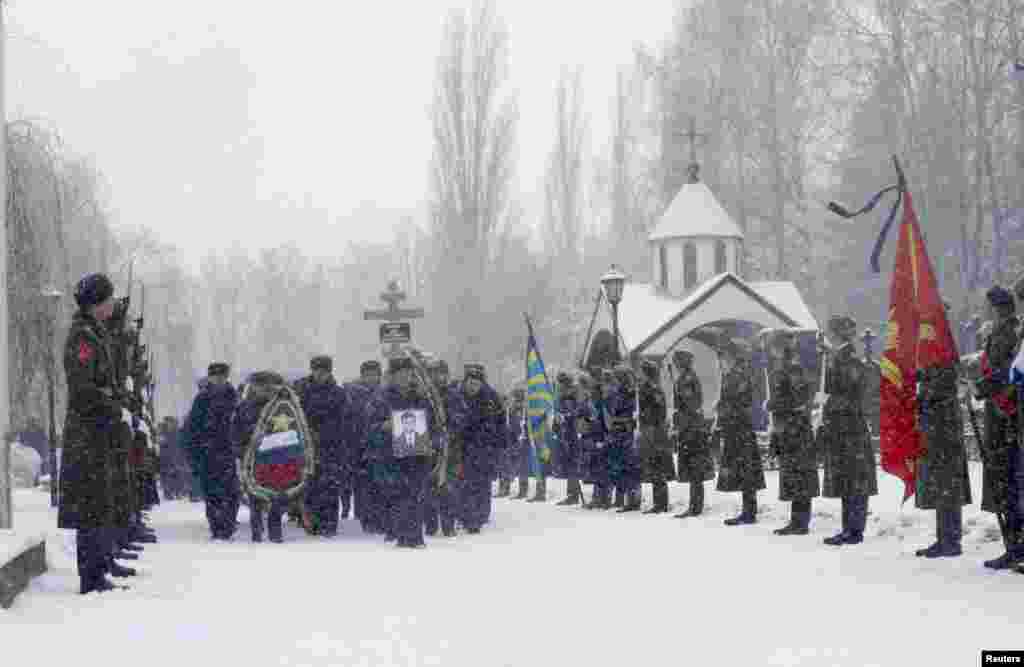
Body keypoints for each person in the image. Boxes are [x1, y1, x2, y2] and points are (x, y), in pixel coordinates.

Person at [58, 273, 128, 594]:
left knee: (101, 501)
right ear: (96, 303)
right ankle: (91, 576)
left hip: (97, 432)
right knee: (91, 505)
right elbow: (84, 389)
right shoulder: (83, 338)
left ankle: (99, 567)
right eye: (109, 299)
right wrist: (112, 402)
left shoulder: (95, 333)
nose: (113, 304)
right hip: (87, 432)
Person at [363, 356, 437, 548]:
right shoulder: (380, 398)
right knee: (398, 496)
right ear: (392, 376)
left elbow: (434, 425)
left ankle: (414, 537)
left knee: (415, 495)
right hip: (391, 456)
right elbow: (368, 428)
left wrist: (430, 439)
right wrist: (383, 427)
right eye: (399, 374)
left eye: (407, 373)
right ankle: (402, 535)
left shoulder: (421, 397)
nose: (404, 378)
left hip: (417, 455)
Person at [975, 286, 1023, 568]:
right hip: (999, 411)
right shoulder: (1003, 331)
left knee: (1009, 481)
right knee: (1005, 483)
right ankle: (1013, 546)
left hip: (1007, 412)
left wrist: (984, 386)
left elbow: (1008, 370)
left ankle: (1017, 546)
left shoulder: (1008, 332)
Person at [820, 315, 878, 546]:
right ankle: (848, 529)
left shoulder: (850, 359)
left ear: (837, 334)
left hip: (850, 427)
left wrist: (830, 401)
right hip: (843, 427)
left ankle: (854, 531)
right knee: (847, 479)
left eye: (831, 332)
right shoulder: (838, 358)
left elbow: (854, 396)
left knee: (854, 480)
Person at [763, 329, 819, 535]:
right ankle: (796, 521)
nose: (771, 351)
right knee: (793, 478)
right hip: (787, 431)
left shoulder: (793, 369)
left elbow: (800, 400)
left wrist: (774, 404)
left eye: (773, 346)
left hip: (796, 431)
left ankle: (801, 523)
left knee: (800, 477)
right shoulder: (781, 369)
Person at [915, 363, 971, 557]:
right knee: (942, 487)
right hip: (937, 431)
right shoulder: (933, 364)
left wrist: (921, 391)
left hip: (945, 432)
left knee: (948, 486)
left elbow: (938, 392)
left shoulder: (945, 363)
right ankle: (944, 539)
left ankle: (951, 541)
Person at [296, 355, 352, 537]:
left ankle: (329, 526)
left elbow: (346, 421)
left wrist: (333, 436)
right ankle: (311, 525)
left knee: (329, 489)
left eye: (324, 371)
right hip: (308, 447)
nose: (321, 374)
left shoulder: (339, 393)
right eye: (317, 370)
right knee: (309, 488)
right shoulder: (302, 392)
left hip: (331, 448)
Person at [715, 341, 765, 525]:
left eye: (723, 357)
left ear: (731, 357)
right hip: (735, 428)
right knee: (743, 471)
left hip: (740, 428)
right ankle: (747, 511)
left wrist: (723, 408)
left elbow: (741, 402)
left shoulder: (738, 376)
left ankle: (749, 513)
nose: (721, 362)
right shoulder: (731, 376)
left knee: (746, 471)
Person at [457, 363, 507, 532]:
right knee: (465, 483)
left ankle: (480, 514)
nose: (473, 387)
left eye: (477, 384)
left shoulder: (492, 398)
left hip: (485, 448)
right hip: (463, 448)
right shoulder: (457, 395)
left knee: (482, 484)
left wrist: (499, 444)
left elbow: (501, 423)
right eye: (470, 383)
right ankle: (467, 516)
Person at [197, 362, 239, 540]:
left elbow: (240, 423)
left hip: (229, 452)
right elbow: (193, 428)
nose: (219, 380)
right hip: (209, 454)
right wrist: (197, 455)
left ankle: (228, 526)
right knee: (212, 494)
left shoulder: (234, 397)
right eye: (215, 377)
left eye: (222, 376)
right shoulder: (202, 399)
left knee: (231, 493)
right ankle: (217, 527)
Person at [671, 350, 714, 518]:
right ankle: (694, 505)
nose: (675, 365)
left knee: (695, 470)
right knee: (693, 469)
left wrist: (679, 416)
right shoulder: (684, 378)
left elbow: (692, 404)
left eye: (677, 362)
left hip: (692, 429)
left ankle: (695, 507)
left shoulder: (688, 379)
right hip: (689, 428)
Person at [638, 360, 674, 514]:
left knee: (657, 466)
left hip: (654, 431)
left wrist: (650, 424)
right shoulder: (650, 387)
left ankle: (661, 504)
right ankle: (658, 503)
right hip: (652, 430)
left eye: (642, 371)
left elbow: (659, 412)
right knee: (654, 467)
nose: (639, 374)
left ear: (646, 373)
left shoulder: (652, 388)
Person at [554, 372, 583, 506]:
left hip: (574, 430)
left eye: (562, 382)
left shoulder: (575, 392)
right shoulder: (560, 394)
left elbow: (579, 410)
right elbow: (558, 409)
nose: (560, 386)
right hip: (565, 431)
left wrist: (568, 415)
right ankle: (571, 493)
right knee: (569, 463)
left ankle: (574, 494)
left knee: (573, 463)